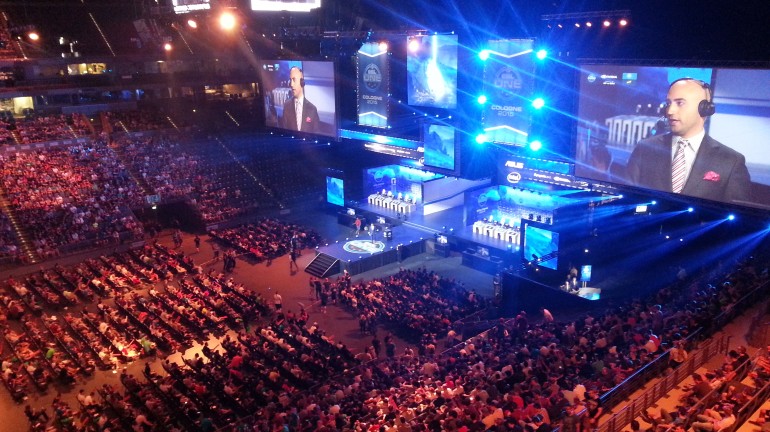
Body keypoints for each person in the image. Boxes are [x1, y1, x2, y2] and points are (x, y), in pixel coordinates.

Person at [625, 78, 751, 204]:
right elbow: (627, 201)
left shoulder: (731, 162)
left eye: (680, 103)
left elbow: (737, 217)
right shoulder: (645, 149)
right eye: (669, 103)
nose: (670, 111)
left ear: (704, 109)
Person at [282, 66, 320, 133]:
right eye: (290, 80)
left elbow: (317, 134)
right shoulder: (286, 106)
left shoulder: (312, 109)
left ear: (302, 82)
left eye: (294, 80)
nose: (291, 84)